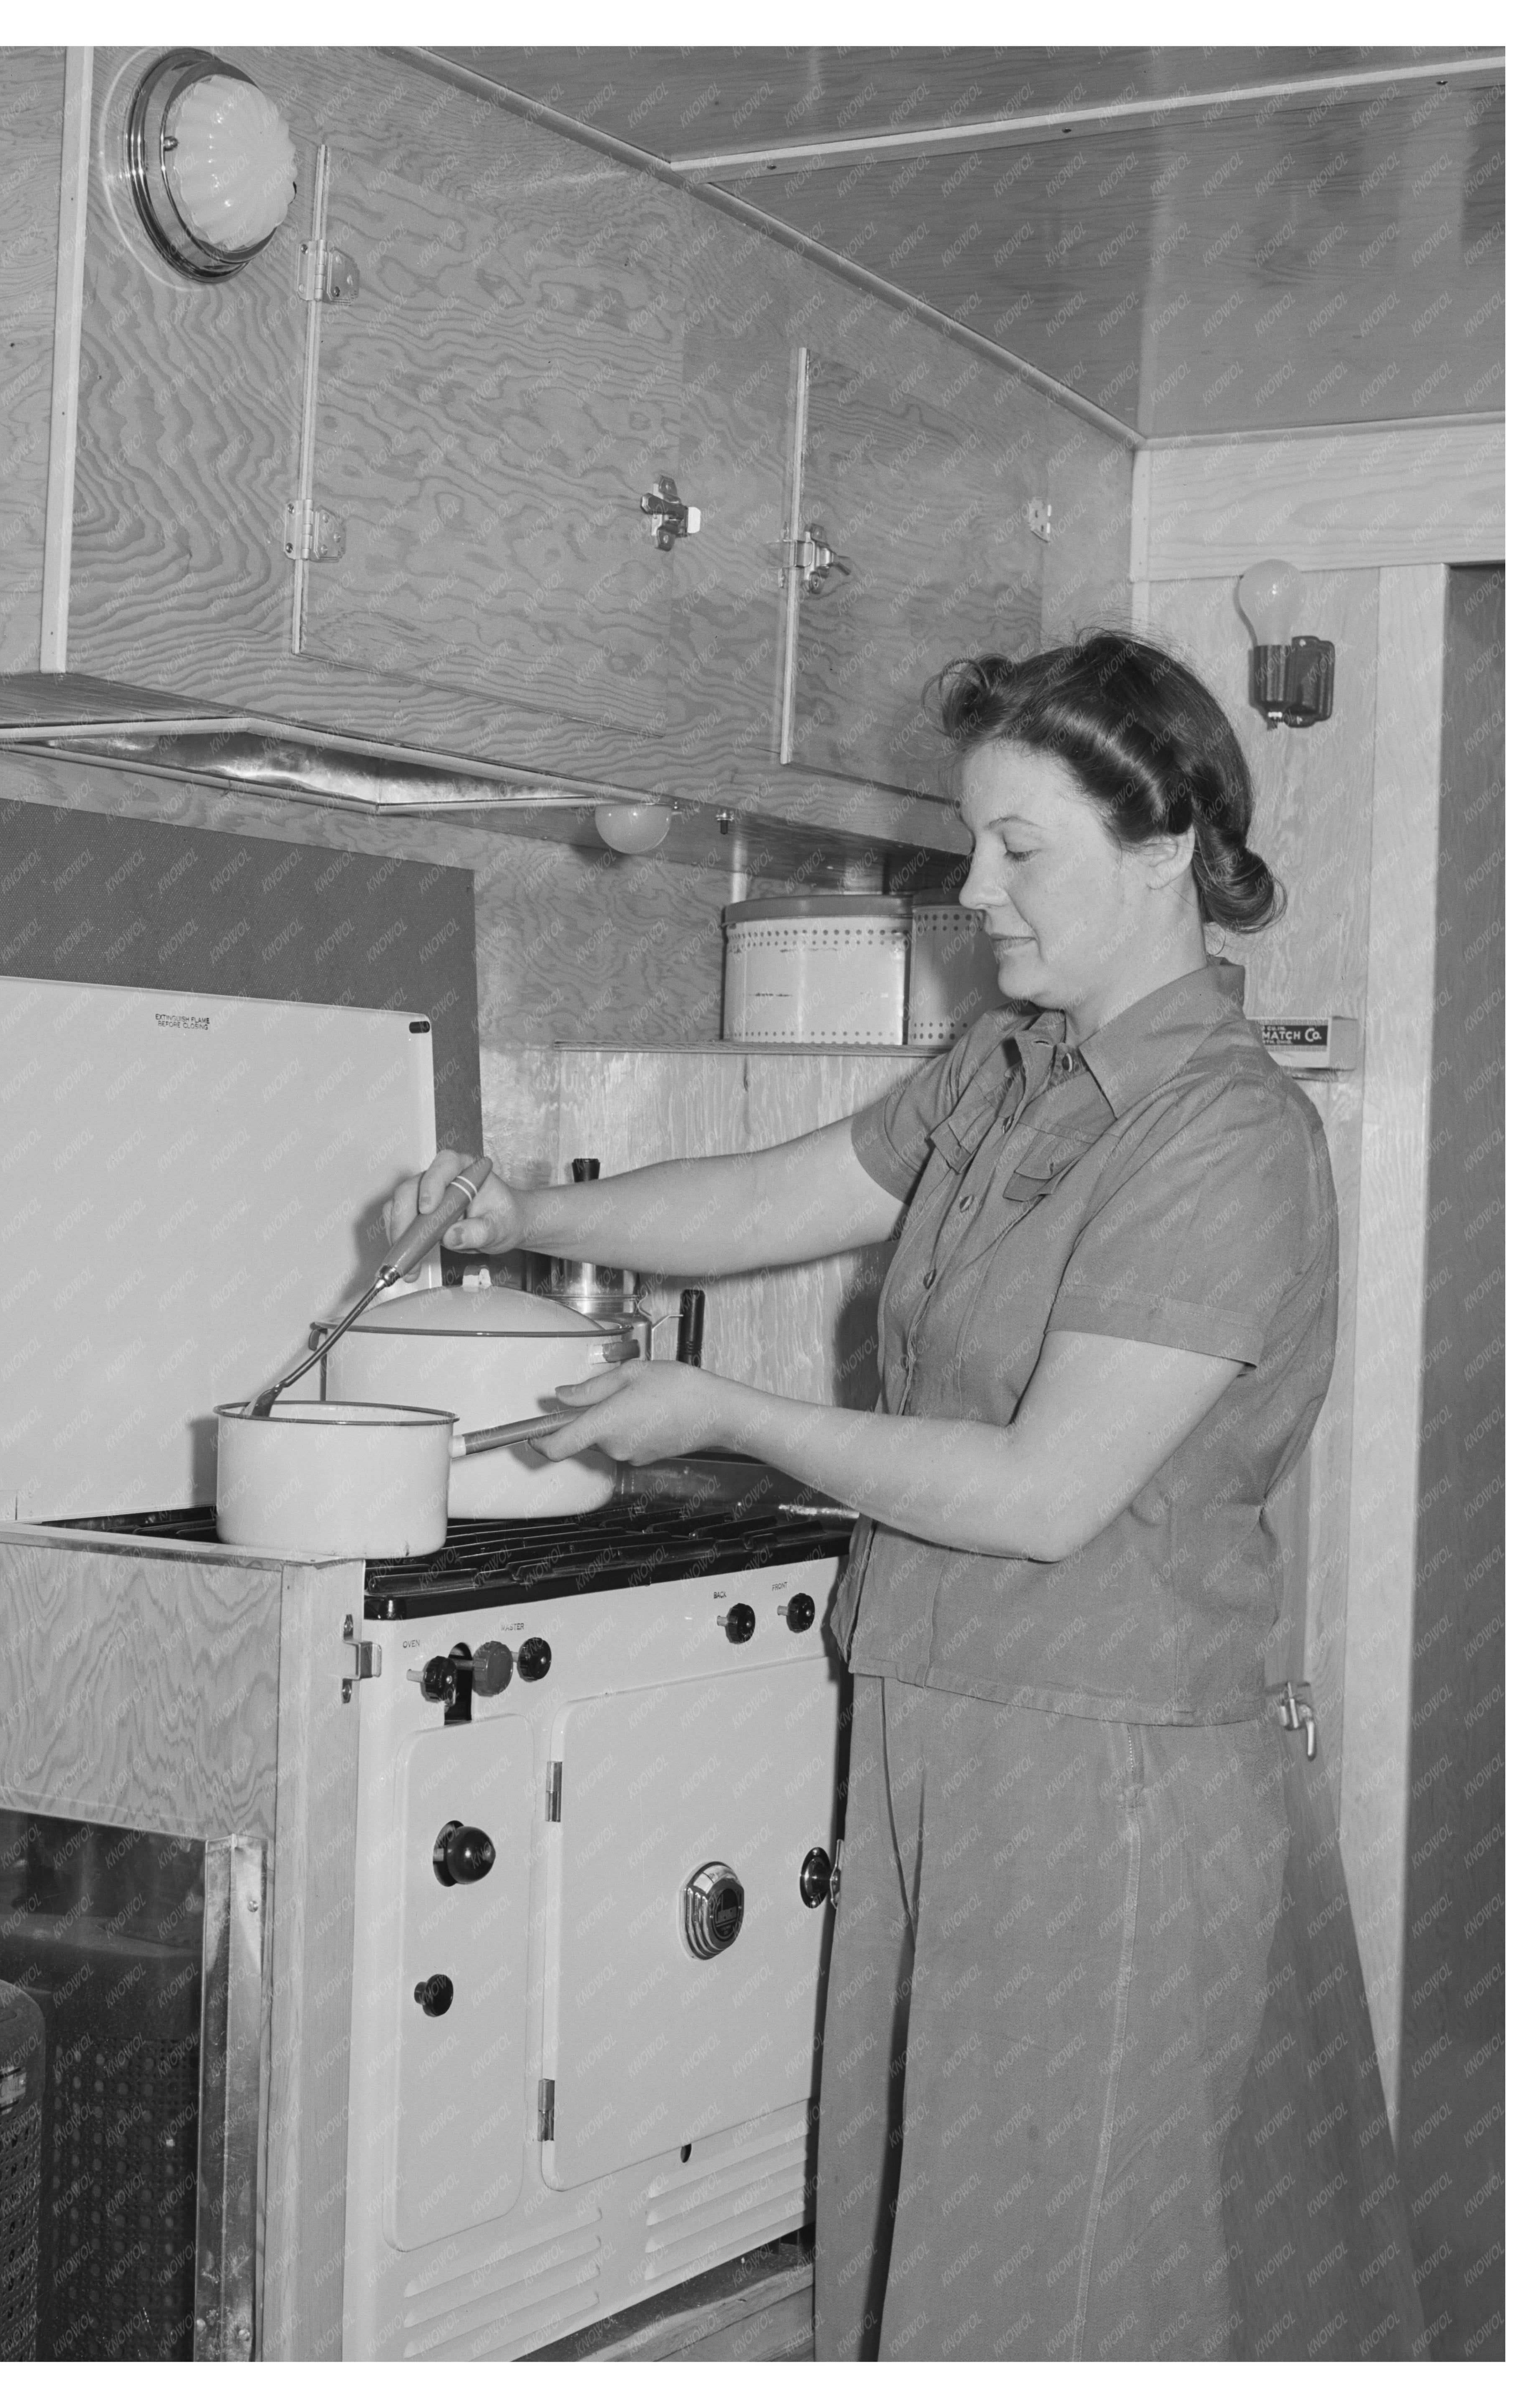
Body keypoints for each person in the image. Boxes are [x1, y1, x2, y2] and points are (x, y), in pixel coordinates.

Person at [387, 630, 1421, 2361]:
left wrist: (726, 1408)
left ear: (1165, 848)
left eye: (1021, 850)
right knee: (947, 2243)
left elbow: (1041, 1492)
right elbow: (780, 1192)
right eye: (972, 843)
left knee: (1075, 2282)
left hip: (1111, 1764)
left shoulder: (1224, 1137)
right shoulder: (1009, 1068)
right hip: (943, 1718)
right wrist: (522, 1216)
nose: (974, 889)